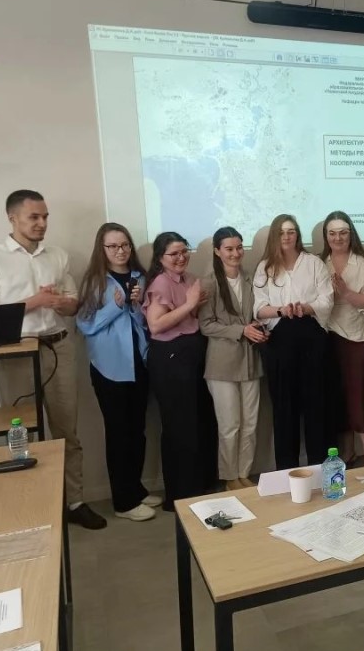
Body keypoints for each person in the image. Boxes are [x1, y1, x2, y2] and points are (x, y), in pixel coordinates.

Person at [0, 190, 106, 530]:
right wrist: (35, 301)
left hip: (59, 347)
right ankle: (27, 508)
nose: (42, 223)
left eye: (45, 217)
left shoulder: (57, 256)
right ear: (13, 218)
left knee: (66, 431)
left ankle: (74, 502)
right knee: (21, 434)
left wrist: (62, 303)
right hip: (17, 353)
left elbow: (73, 305)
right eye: (34, 217)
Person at [76, 222, 160, 522]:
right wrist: (115, 306)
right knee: (119, 434)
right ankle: (123, 502)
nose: (120, 251)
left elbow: (144, 321)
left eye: (125, 245)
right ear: (102, 249)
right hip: (109, 367)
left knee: (138, 431)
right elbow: (85, 325)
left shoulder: (140, 276)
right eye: (113, 246)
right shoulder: (95, 280)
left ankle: (135, 489)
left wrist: (135, 305)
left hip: (139, 362)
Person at [143, 232, 217, 510]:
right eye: (173, 253)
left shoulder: (189, 279)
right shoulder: (161, 282)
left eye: (184, 251)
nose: (181, 257)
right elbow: (156, 325)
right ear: (161, 257)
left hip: (192, 355)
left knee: (198, 421)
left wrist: (193, 306)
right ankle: (180, 494)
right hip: (171, 360)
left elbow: (191, 316)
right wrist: (189, 304)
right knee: (179, 427)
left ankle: (199, 486)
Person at [253, 215, 333, 470]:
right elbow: (259, 308)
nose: (286, 236)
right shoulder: (265, 267)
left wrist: (304, 308)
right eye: (281, 232)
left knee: (316, 405)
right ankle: (286, 471)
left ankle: (319, 467)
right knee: (284, 409)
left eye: (291, 231)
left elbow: (327, 300)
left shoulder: (313, 263)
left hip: (311, 336)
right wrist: (281, 310)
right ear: (274, 236)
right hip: (280, 340)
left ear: (297, 234)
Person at [200, 227, 266, 491]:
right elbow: (206, 325)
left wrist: (259, 328)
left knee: (250, 423)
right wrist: (241, 330)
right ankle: (229, 477)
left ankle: (243, 473)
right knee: (230, 425)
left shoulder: (251, 278)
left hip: (251, 361)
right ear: (217, 251)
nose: (235, 253)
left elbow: (257, 313)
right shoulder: (209, 283)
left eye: (239, 247)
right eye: (229, 248)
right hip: (222, 365)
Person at [320, 211, 364, 466]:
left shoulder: (363, 264)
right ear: (326, 236)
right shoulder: (318, 263)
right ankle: (347, 452)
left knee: (361, 397)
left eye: (343, 233)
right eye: (332, 233)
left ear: (351, 234)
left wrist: (346, 293)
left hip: (358, 339)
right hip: (328, 337)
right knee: (337, 398)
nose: (338, 238)